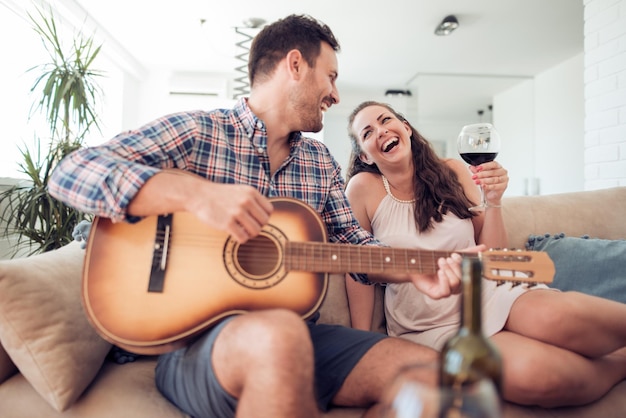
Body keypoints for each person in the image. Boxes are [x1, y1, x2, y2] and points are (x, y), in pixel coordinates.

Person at [48, 15, 469, 418]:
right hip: (197, 344)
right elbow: (70, 172)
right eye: (332, 76)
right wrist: (196, 195)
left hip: (301, 336)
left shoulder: (318, 159)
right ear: (295, 64)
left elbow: (352, 242)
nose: (336, 95)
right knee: (278, 336)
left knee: (435, 376)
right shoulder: (201, 132)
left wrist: (411, 268)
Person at [344, 100, 626, 408]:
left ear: (406, 128)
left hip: (490, 291)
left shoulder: (450, 170)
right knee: (543, 378)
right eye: (368, 132)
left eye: (386, 120)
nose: (381, 131)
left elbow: (493, 254)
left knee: (567, 319)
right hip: (429, 325)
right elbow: (357, 266)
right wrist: (364, 342)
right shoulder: (361, 189)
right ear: (364, 155)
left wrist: (493, 200)